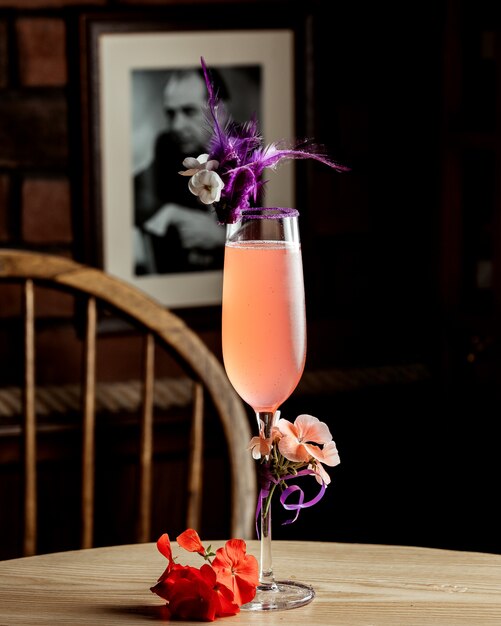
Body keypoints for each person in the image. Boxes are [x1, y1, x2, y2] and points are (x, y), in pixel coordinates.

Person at [133, 68, 228, 275]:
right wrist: (174, 214)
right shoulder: (168, 146)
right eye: (171, 114)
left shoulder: (254, 156)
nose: (176, 125)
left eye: (189, 111)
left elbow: (271, 232)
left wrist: (223, 239)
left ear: (218, 111)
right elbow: (135, 193)